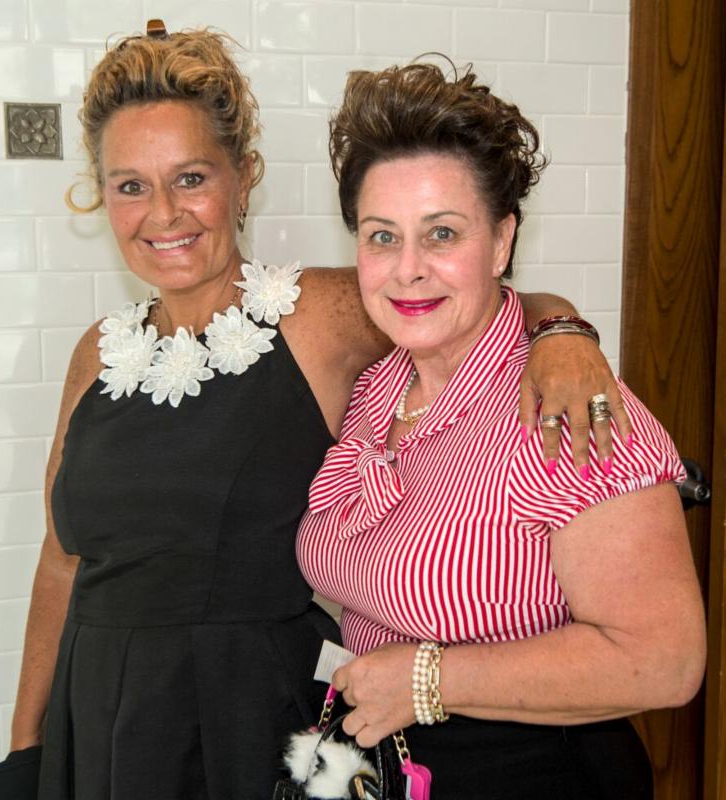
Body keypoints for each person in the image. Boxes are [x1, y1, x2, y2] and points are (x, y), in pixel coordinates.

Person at [0, 24, 627, 800]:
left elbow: (468, 298)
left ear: (243, 178)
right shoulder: (97, 351)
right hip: (100, 724)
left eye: (190, 178)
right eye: (130, 186)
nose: (163, 213)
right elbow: (61, 561)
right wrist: (28, 748)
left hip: (250, 722)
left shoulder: (316, 314)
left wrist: (561, 330)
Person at [297, 62, 706, 798]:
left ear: (501, 240)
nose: (408, 269)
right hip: (387, 768)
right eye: (382, 236)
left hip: (533, 773)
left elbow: (664, 662)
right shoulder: (373, 388)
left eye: (442, 233)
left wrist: (428, 679)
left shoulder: (565, 410)